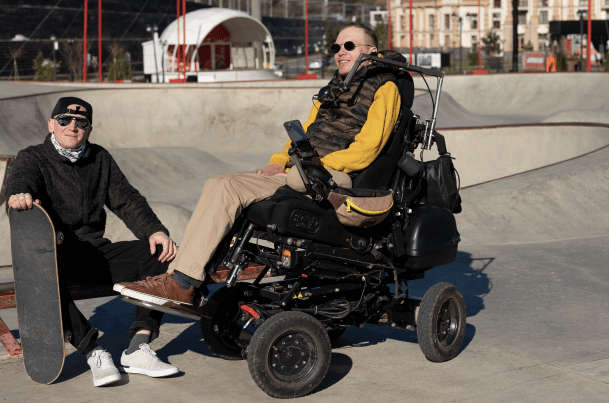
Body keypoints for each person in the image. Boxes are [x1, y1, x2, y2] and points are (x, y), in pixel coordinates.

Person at [114, 23, 405, 308]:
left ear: (371, 51)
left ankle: (183, 282)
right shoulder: (333, 89)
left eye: (349, 46)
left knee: (240, 187)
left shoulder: (386, 86)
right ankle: (193, 273)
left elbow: (368, 149)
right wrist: (277, 163)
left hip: (335, 178)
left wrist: (313, 167)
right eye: (336, 46)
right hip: (305, 173)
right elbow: (301, 136)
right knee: (217, 182)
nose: (341, 52)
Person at [6, 96, 180, 387]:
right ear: (52, 124)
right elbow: (21, 178)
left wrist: (154, 230)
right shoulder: (33, 157)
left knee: (157, 254)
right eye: (64, 120)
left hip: (94, 253)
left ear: (88, 129)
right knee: (43, 274)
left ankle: (138, 347)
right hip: (56, 256)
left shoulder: (99, 158)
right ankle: (93, 350)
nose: (72, 127)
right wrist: (20, 193)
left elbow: (127, 200)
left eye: (81, 123)